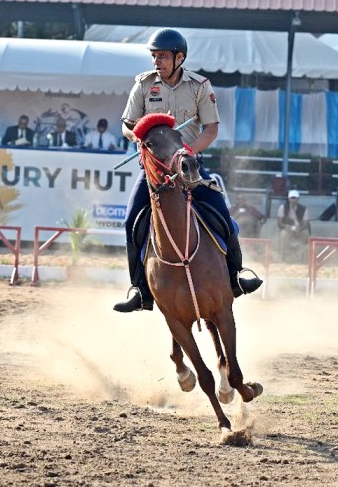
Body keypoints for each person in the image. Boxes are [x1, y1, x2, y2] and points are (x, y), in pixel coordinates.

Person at [113, 28, 262, 313]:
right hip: (153, 171)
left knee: (222, 214)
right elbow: (126, 124)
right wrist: (139, 138)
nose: (157, 61)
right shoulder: (143, 85)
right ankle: (140, 290)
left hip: (189, 167)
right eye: (154, 56)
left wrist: (187, 153)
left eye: (163, 56)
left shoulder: (199, 86)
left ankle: (236, 275)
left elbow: (212, 128)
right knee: (131, 221)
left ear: (179, 58)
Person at [277, 190, 308, 261]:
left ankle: (302, 257)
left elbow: (306, 224)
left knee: (305, 235)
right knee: (283, 235)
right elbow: (279, 222)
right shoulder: (283, 207)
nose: (293, 200)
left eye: (295, 198)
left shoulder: (304, 209)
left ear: (298, 199)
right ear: (288, 199)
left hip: (299, 229)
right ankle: (282, 256)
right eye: (292, 198)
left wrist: (300, 228)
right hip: (287, 228)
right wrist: (286, 227)